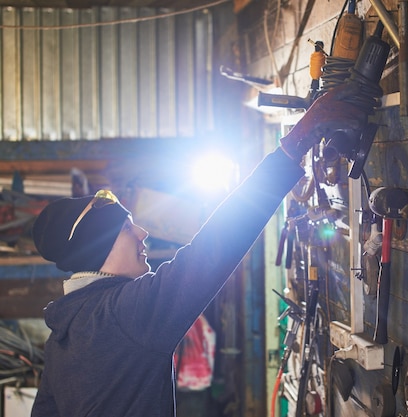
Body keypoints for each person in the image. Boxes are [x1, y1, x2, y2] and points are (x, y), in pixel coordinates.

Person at [29, 83, 370, 417]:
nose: (142, 233)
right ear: (96, 248)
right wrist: (295, 145)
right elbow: (215, 247)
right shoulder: (122, 314)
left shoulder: (63, 335)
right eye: (126, 227)